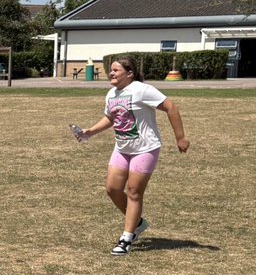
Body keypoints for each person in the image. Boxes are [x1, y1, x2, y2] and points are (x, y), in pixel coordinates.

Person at [75, 56, 190, 255]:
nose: (111, 73)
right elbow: (110, 117)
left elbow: (170, 107)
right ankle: (137, 222)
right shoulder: (111, 93)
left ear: (130, 74)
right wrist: (90, 132)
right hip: (122, 148)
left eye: (116, 70)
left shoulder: (142, 90)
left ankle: (126, 238)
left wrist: (180, 137)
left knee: (134, 191)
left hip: (145, 149)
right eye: (110, 70)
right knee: (112, 189)